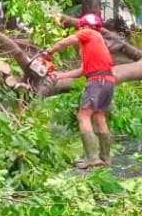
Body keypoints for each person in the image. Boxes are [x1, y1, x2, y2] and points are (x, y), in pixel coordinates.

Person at [45, 13, 115, 168]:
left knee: (83, 115)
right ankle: (105, 158)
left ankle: (92, 158)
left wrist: (50, 51)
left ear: (84, 26)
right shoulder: (97, 42)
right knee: (99, 116)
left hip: (97, 81)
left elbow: (66, 42)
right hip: (108, 80)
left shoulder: (88, 32)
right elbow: (83, 70)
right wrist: (60, 75)